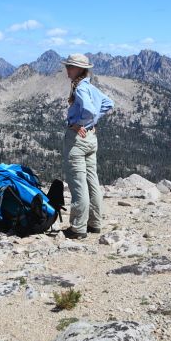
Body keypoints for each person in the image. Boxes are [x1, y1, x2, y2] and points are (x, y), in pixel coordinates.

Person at [61, 53, 114, 239]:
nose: (68, 69)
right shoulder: (90, 87)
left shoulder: (81, 88)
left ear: (80, 69)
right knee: (93, 181)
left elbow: (90, 109)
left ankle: (78, 228)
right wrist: (92, 123)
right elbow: (109, 103)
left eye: (71, 67)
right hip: (91, 139)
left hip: (78, 139)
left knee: (78, 183)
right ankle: (95, 223)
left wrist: (81, 123)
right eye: (68, 66)